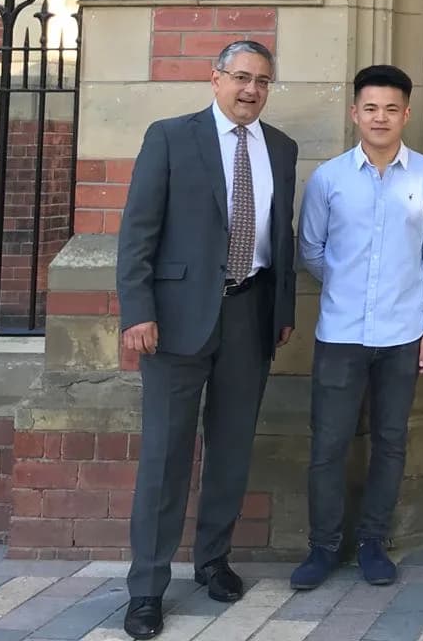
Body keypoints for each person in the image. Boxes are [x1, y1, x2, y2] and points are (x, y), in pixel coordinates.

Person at [116, 40, 298, 641]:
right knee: (165, 458)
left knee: (231, 449)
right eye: (241, 77)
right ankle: (146, 588)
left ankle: (213, 559)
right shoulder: (170, 137)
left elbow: (281, 239)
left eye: (263, 81)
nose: (251, 90)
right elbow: (138, 232)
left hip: (250, 315)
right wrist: (137, 312)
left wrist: (282, 311)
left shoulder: (280, 148)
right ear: (215, 78)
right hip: (175, 321)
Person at [289, 65, 423, 591]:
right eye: (370, 108)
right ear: (354, 112)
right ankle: (322, 546)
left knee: (390, 442)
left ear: (406, 113)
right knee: (329, 445)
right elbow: (311, 251)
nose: (380, 117)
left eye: (390, 108)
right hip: (339, 334)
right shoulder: (329, 179)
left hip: (403, 335)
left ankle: (373, 542)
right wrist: (349, 286)